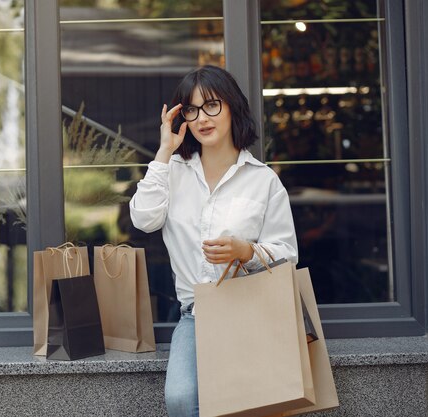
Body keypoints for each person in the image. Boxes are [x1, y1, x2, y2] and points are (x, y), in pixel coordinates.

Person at [129, 65, 298, 417]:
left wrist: (247, 251)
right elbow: (143, 220)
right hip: (196, 315)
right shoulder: (172, 171)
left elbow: (288, 254)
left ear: (232, 106)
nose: (202, 118)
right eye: (190, 110)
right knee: (180, 398)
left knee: (249, 406)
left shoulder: (263, 180)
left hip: (252, 311)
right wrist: (164, 151)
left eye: (211, 106)